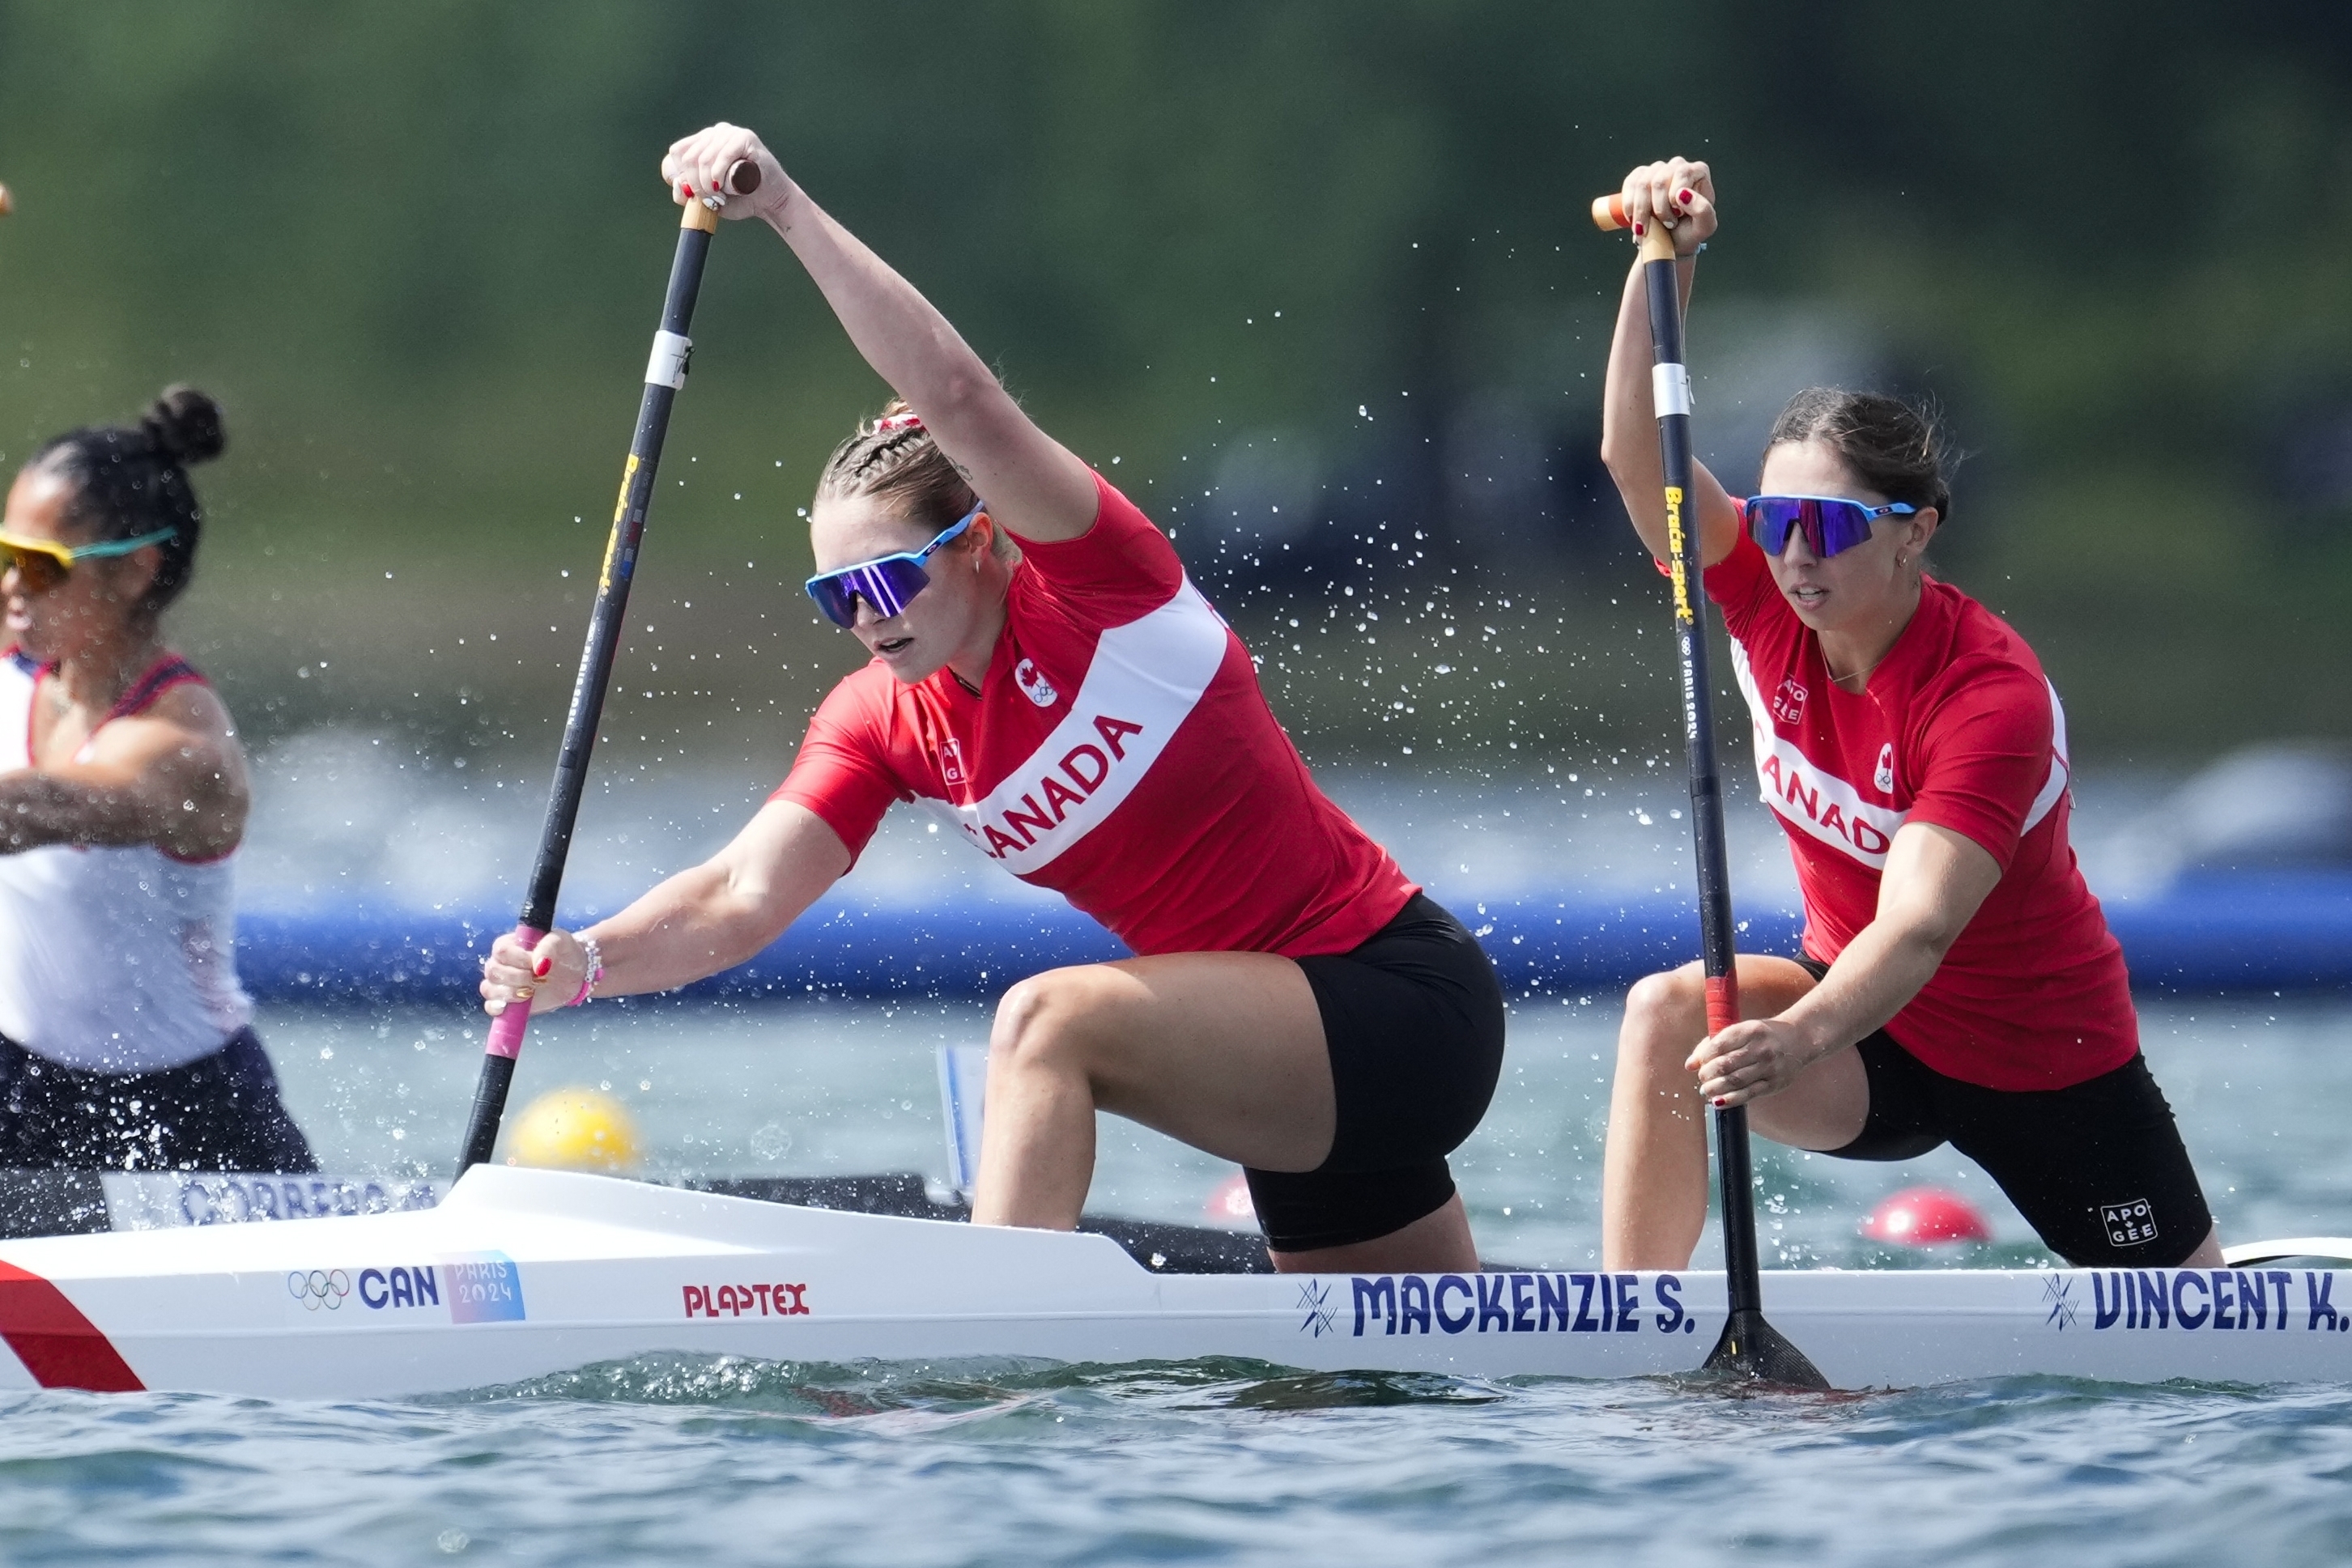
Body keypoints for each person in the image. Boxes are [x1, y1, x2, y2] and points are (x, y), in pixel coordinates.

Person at [478, 123, 1506, 1273]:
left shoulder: (1097, 585)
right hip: (1274, 1067)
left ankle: (987, 1363)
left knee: (1044, 1022)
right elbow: (737, 895)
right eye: (834, 596)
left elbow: (958, 394)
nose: (865, 617)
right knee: (1362, 1407)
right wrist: (588, 959)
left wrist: (785, 212)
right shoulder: (885, 717)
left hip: (1398, 1003)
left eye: (883, 578)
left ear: (980, 543)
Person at [1595, 158, 2219, 1272]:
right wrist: (1666, 263)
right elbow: (1638, 461)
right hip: (1871, 1042)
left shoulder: (1989, 696)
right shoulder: (1758, 590)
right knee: (1664, 1013)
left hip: (2042, 1061)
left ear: (1915, 530)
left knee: (2188, 1323)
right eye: (1778, 518)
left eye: (1826, 529)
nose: (1792, 554)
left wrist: (1794, 1034)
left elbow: (1919, 925)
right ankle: (1633, 1328)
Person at [0, 387, 316, 1173]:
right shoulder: (16, 667)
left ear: (136, 571)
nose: (10, 585)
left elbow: (40, 806)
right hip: (18, 1088)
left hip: (190, 1116)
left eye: (38, 567)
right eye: (3, 554)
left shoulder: (186, 747)